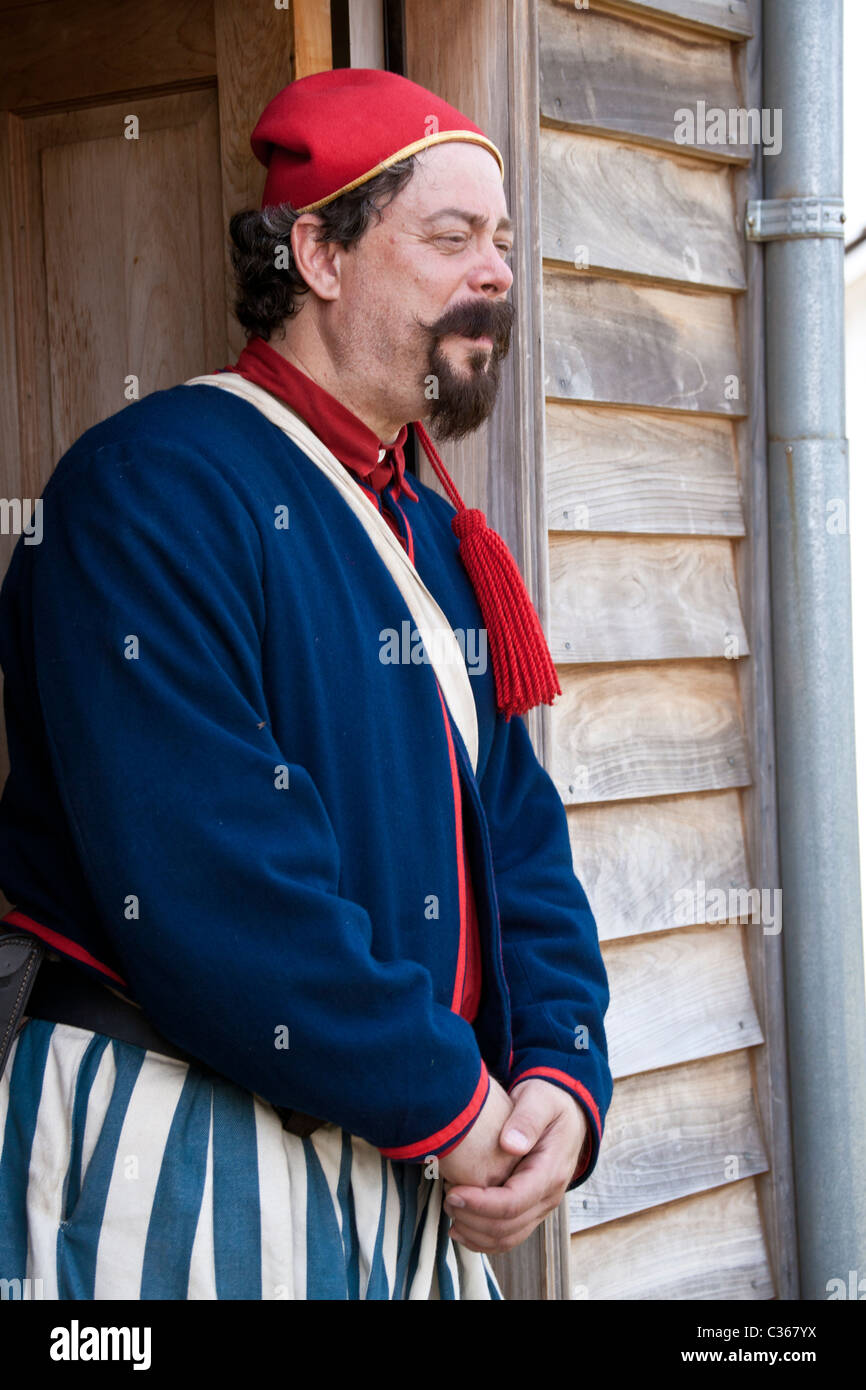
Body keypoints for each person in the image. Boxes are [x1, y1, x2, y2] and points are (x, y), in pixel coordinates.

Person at [0, 68, 611, 1301]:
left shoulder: (434, 536)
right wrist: (456, 1104)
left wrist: (557, 1078)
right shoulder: (150, 486)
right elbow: (213, 884)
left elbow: (520, 845)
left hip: (417, 1161)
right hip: (177, 1150)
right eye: (448, 238)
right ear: (319, 252)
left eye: (501, 241)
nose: (493, 273)